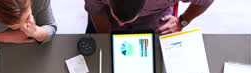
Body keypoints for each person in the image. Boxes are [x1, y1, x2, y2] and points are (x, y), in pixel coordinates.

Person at [84, 0, 214, 34]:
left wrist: (182, 21)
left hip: (156, 17)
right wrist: (106, 38)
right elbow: (96, 10)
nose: (120, 25)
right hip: (105, 15)